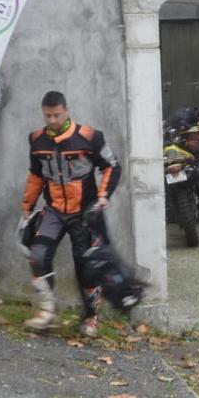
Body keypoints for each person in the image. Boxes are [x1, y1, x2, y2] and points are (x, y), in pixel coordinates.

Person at [18, 91, 126, 337]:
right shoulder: (36, 139)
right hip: (53, 210)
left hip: (84, 212)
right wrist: (27, 204)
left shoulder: (90, 137)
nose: (52, 120)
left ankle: (91, 318)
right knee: (38, 255)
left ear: (66, 110)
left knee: (86, 267)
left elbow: (112, 165)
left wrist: (103, 196)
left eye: (56, 115)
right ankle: (47, 313)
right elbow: (35, 175)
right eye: (47, 116)